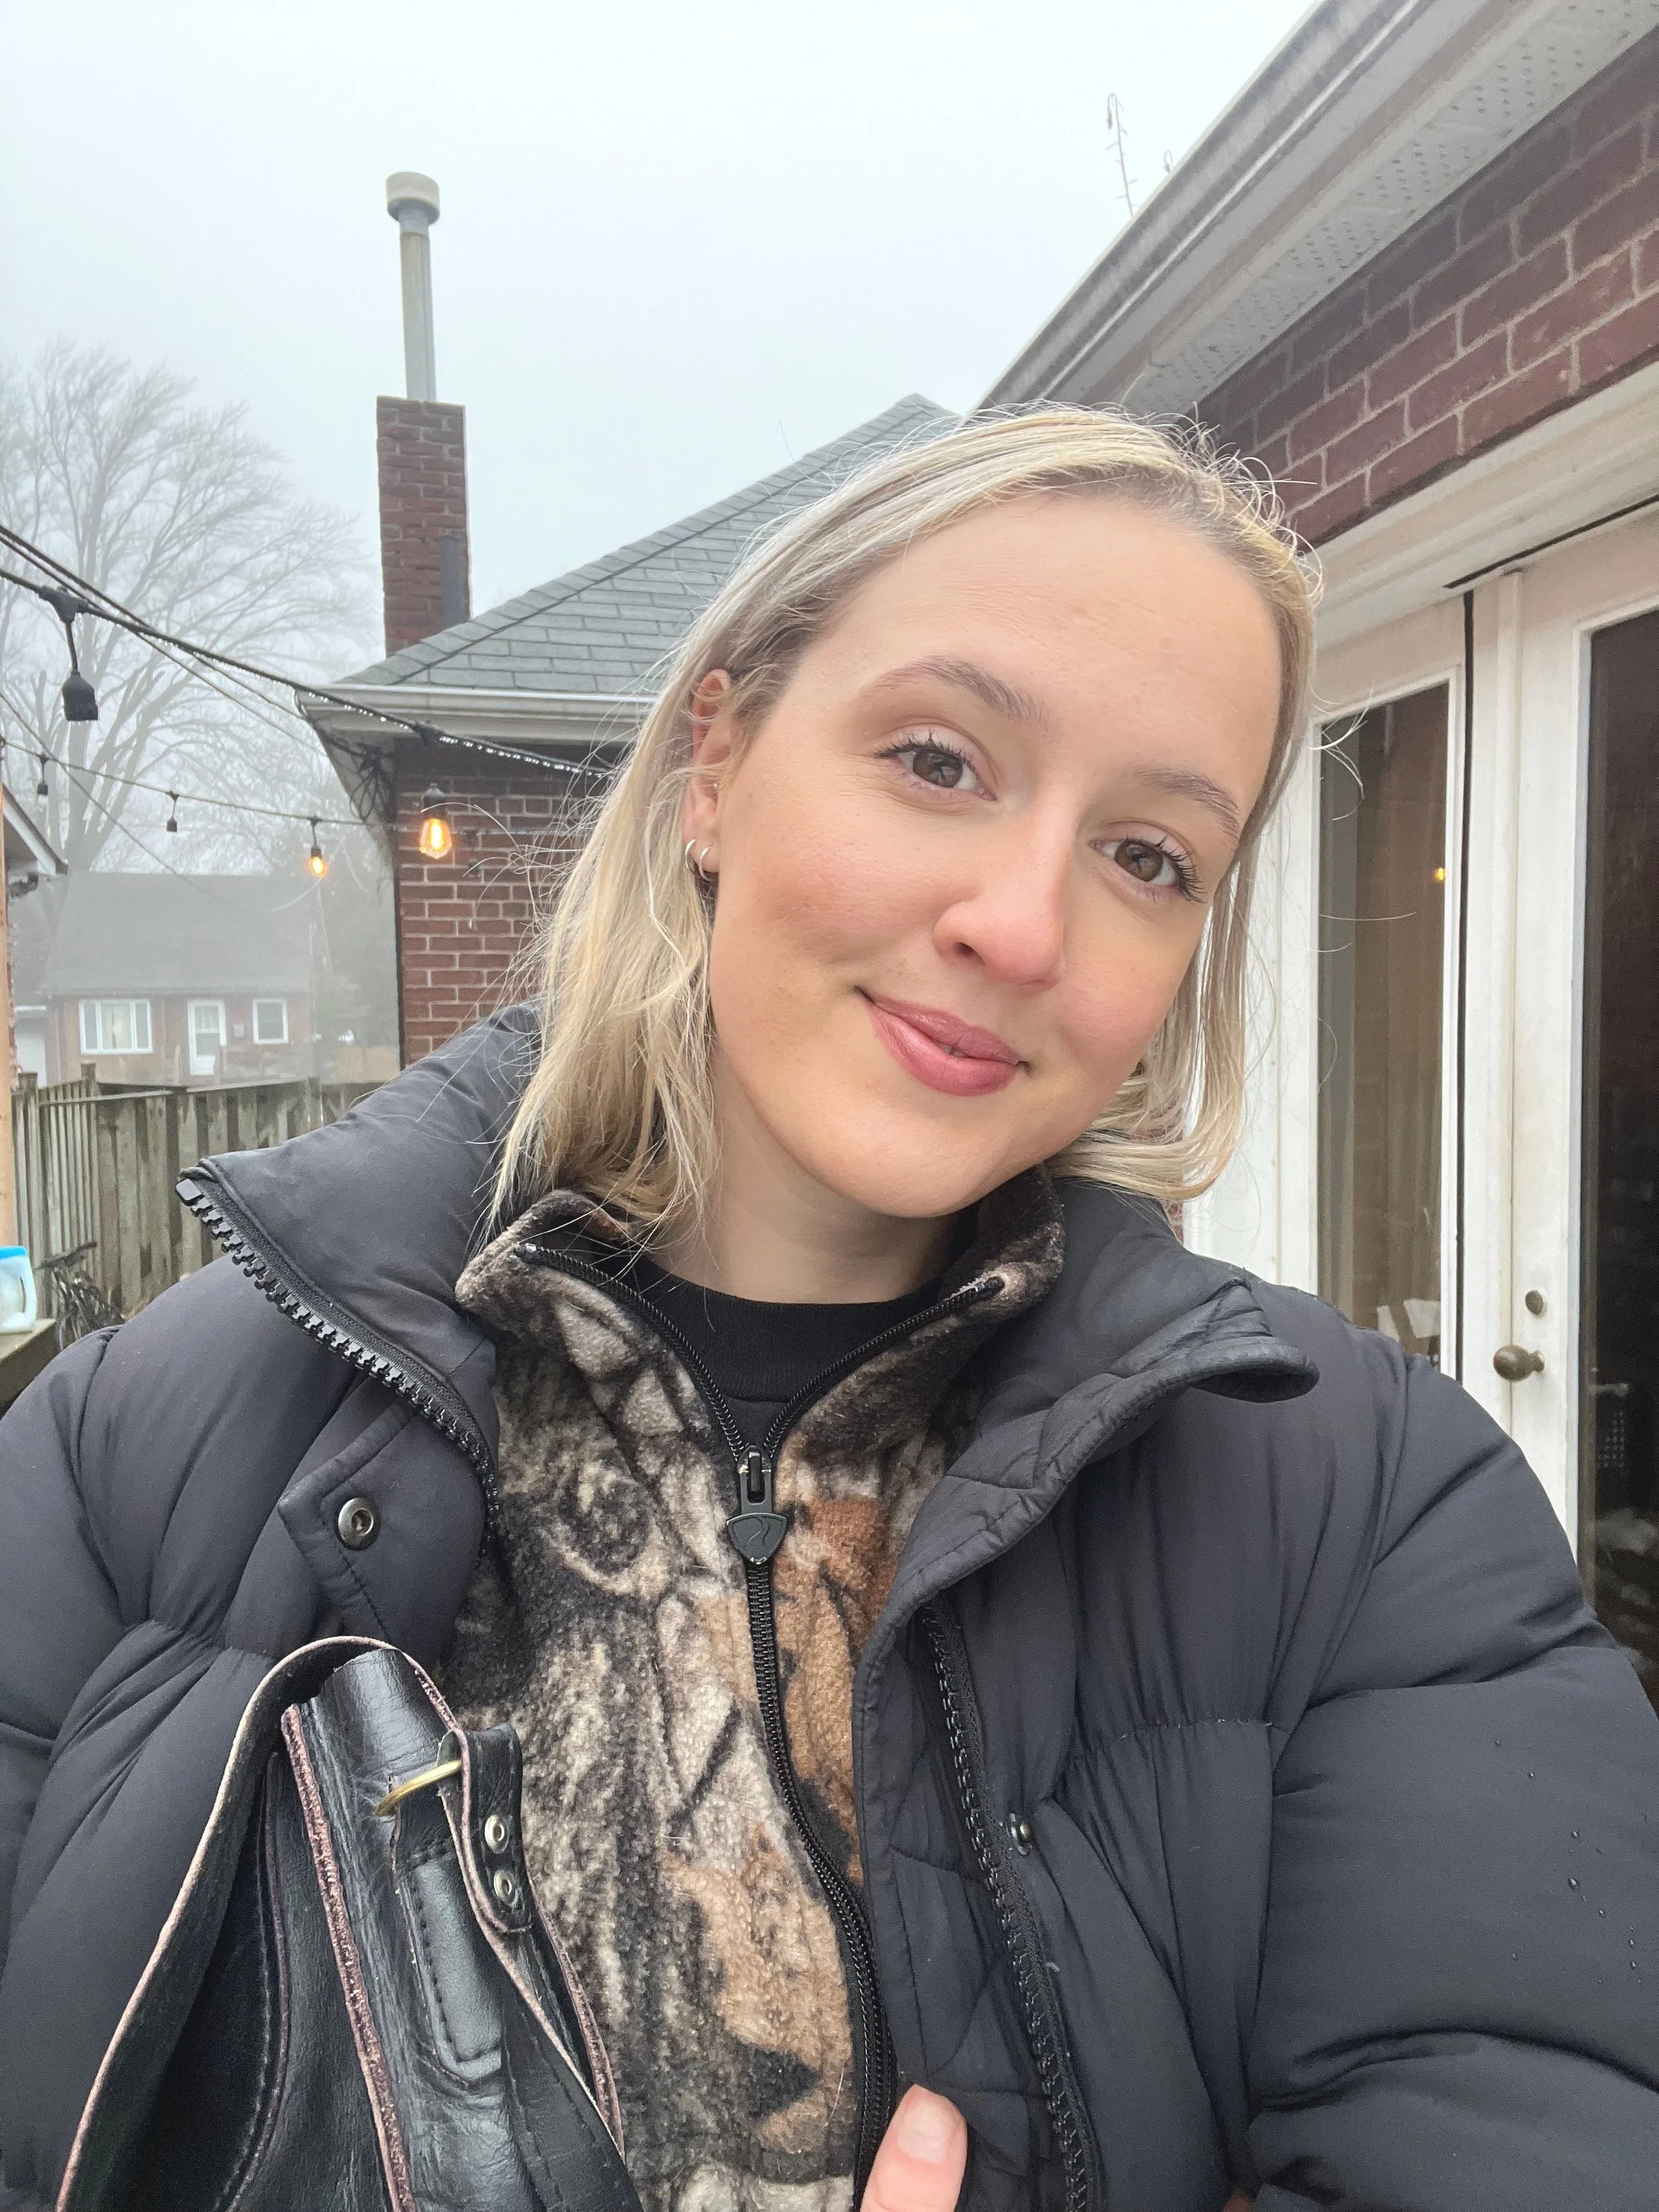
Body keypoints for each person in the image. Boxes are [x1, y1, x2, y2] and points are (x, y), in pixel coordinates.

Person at [1, 410, 1656, 2212]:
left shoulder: (1364, 1507)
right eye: (939, 758)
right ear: (715, 763)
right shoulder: (119, 1466)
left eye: (1149, 854)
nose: (1022, 924)